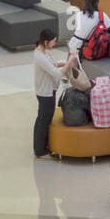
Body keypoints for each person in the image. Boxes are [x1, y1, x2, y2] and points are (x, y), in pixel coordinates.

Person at [32, 30, 67, 158]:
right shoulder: (40, 56)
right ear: (46, 42)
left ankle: (40, 147)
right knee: (44, 121)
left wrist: (62, 63)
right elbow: (56, 73)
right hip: (45, 93)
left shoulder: (42, 52)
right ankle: (41, 150)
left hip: (46, 91)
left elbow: (51, 65)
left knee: (42, 118)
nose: (54, 45)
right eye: (53, 42)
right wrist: (68, 65)